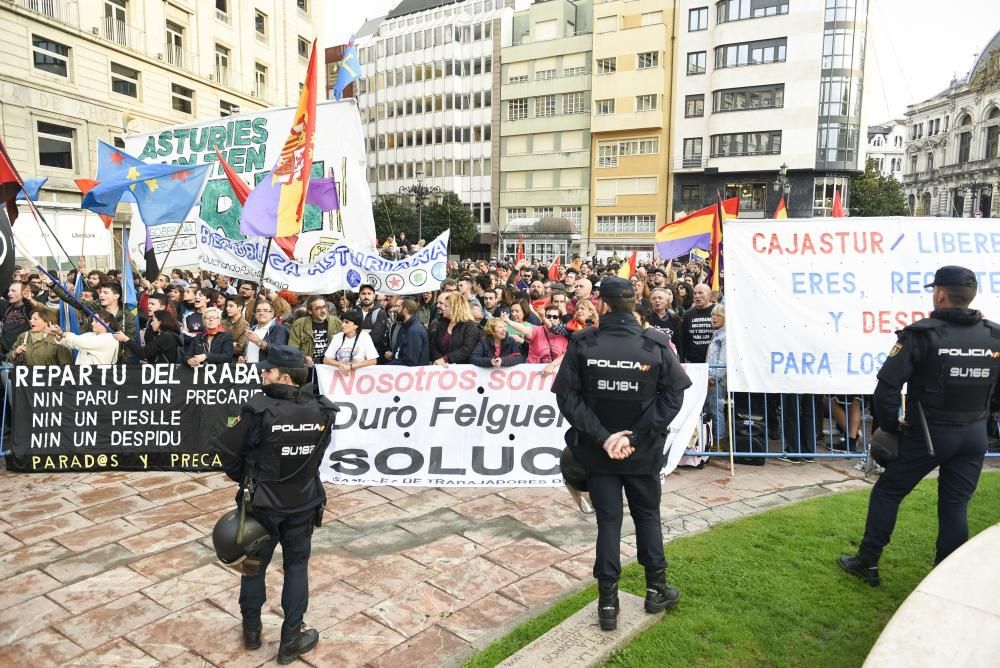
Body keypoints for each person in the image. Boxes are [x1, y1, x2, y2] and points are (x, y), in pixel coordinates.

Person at [839, 266, 1000, 586]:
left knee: (888, 491)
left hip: (928, 435)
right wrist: (984, 416)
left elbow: (885, 390)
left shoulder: (921, 334)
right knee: (955, 504)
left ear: (940, 294)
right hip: (973, 434)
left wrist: (891, 428)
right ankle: (947, 577)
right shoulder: (994, 335)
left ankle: (867, 562)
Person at [552, 276, 692, 631]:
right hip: (639, 452)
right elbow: (674, 396)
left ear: (604, 304)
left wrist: (606, 439)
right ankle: (655, 589)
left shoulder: (585, 343)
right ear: (633, 303)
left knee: (609, 522)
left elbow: (567, 398)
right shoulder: (653, 343)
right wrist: (633, 437)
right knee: (647, 517)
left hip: (603, 454)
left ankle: (608, 603)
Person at [209, 344, 338, 664]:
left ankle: (252, 631)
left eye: (268, 370)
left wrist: (247, 478)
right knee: (296, 566)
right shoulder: (323, 409)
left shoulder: (258, 409)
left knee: (253, 566)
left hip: (262, 504)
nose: (262, 374)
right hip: (302, 502)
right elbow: (317, 457)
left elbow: (227, 452)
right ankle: (289, 640)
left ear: (286, 377)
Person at [50, 308, 120, 365]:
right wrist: (58, 335)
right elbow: (73, 343)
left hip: (97, 376)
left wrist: (61, 333)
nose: (92, 323)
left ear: (107, 323)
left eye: (96, 321)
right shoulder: (89, 334)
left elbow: (81, 342)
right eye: (93, 320)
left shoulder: (110, 338)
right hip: (81, 374)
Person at [289, 295, 343, 367]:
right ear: (310, 311)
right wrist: (304, 357)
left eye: (324, 307)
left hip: (330, 365)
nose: (323, 311)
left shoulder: (336, 322)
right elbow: (293, 348)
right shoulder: (299, 324)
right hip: (308, 365)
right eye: (318, 308)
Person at [116, 309, 182, 364]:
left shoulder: (165, 337)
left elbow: (143, 353)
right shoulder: (167, 335)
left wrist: (125, 339)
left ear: (160, 322)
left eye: (153, 320)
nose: (151, 323)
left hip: (165, 372)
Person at [430, 292, 480, 365]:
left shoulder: (470, 327)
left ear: (455, 308)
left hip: (461, 369)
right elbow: (433, 345)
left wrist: (446, 359)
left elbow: (466, 349)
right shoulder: (442, 323)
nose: (442, 308)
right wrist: (439, 360)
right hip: (441, 366)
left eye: (446, 306)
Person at [705, 304, 727, 447]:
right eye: (712, 315)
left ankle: (719, 443)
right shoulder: (717, 334)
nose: (714, 318)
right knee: (712, 410)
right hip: (711, 378)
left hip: (717, 380)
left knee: (716, 410)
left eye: (718, 315)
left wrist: (713, 379)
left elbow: (723, 362)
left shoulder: (725, 336)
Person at [386, 299, 430, 366]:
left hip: (410, 371)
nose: (396, 310)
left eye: (399, 307)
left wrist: (387, 366)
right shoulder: (405, 326)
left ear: (405, 309)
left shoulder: (414, 331)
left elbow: (410, 361)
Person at [681, 284, 715, 363]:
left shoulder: (717, 311)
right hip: (693, 361)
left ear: (709, 295)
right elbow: (684, 339)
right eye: (695, 293)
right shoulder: (688, 314)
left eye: (700, 293)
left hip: (714, 362)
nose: (697, 296)